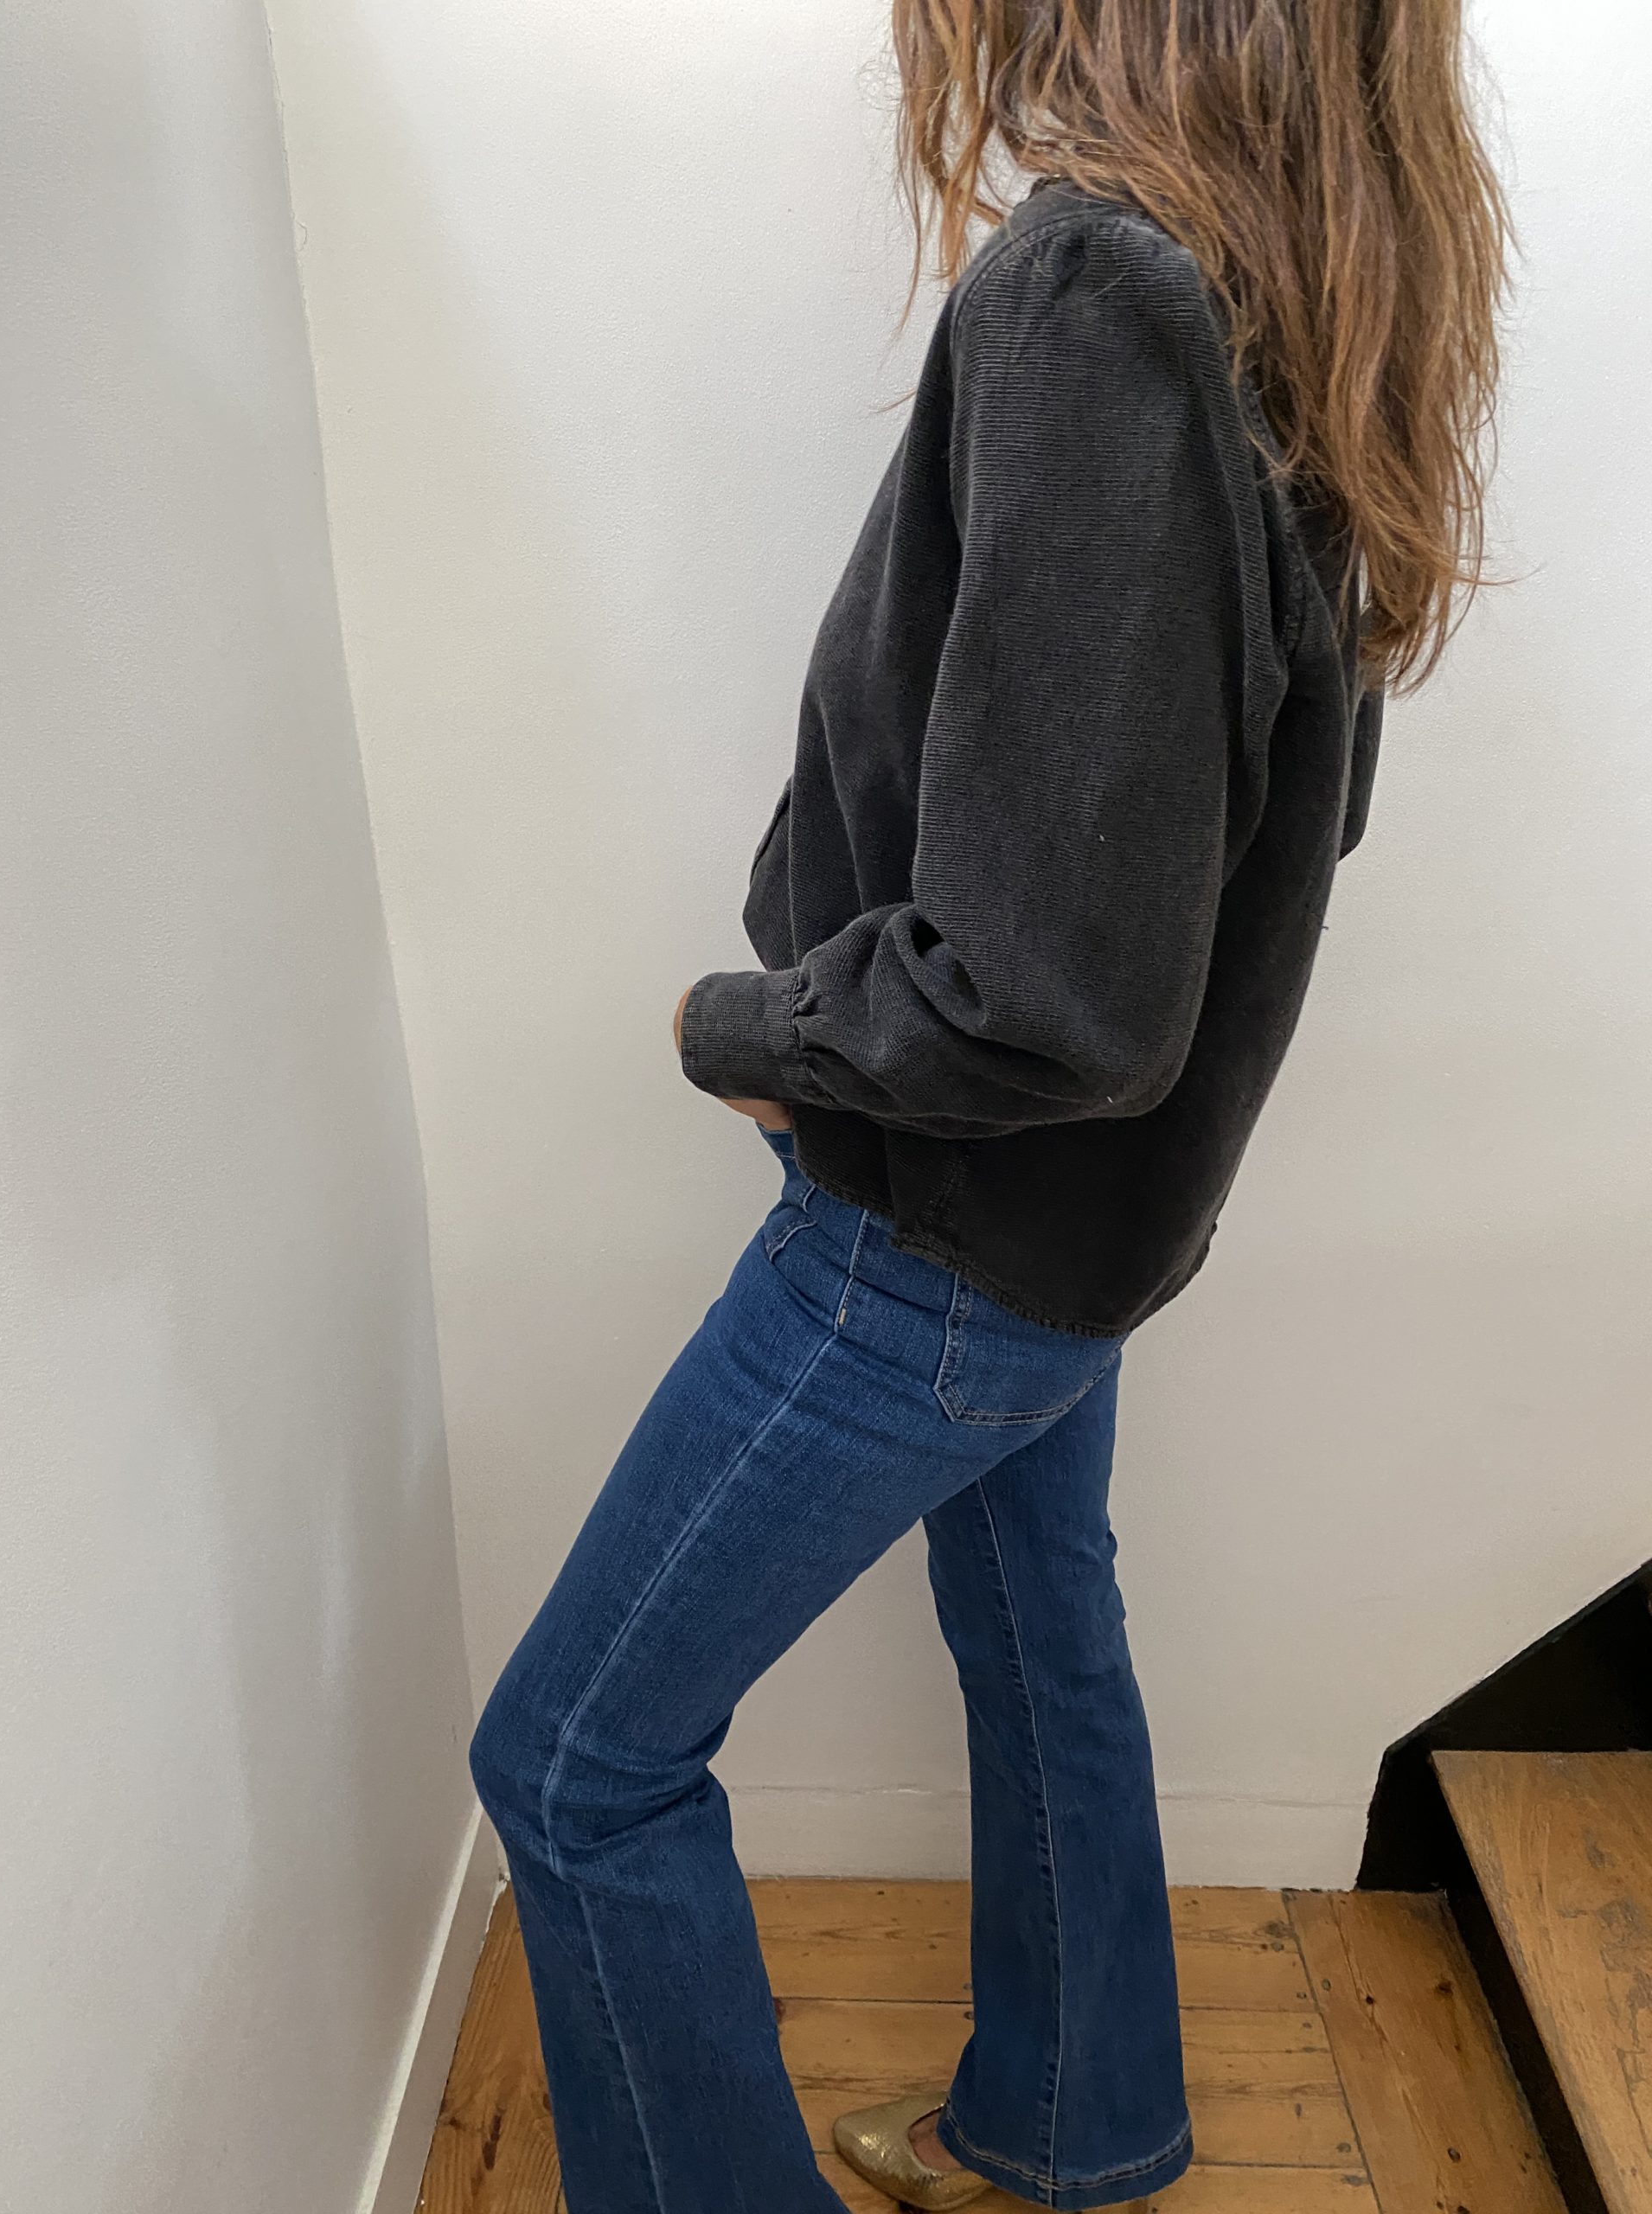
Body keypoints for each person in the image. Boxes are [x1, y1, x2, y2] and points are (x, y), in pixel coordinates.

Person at [470, 1, 1508, 2207]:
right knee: (1045, 1626)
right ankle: (1076, 2112)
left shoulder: (1104, 288)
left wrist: (750, 1030)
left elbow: (1053, 995)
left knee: (571, 1760)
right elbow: (1262, 827)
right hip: (1081, 1236)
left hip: (939, 1230)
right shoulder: (1302, 284)